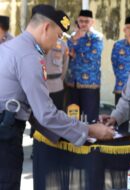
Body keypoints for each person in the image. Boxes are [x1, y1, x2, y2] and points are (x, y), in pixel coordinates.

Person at [0, 4, 114, 189]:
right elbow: (46, 114)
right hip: (5, 138)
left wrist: (67, 134)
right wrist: (90, 130)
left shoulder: (11, 46)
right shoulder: (29, 56)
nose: (57, 43)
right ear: (46, 28)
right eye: (58, 36)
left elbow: (32, 110)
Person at [65, 9, 103, 124]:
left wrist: (76, 50)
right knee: (72, 116)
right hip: (72, 82)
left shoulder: (97, 37)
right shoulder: (72, 36)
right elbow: (67, 52)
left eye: (87, 21)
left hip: (90, 84)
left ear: (92, 22)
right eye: (81, 21)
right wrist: (75, 40)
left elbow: (93, 55)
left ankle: (91, 141)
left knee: (90, 118)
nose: (83, 24)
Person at [46, 38, 69, 110]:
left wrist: (60, 79)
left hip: (57, 86)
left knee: (57, 113)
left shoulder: (63, 44)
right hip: (40, 86)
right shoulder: (37, 42)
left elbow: (65, 64)